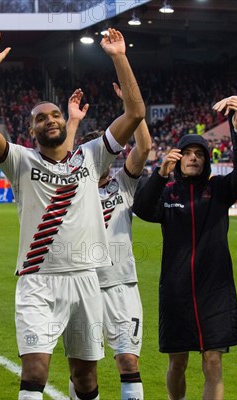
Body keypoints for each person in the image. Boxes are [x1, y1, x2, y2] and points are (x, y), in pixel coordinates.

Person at [0, 28, 145, 400]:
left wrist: (119, 57)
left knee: (86, 378)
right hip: (38, 281)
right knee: (35, 370)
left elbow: (135, 112)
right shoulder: (20, 162)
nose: (49, 118)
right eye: (40, 117)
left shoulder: (91, 156)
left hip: (85, 279)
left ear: (64, 122)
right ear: (31, 131)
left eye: (54, 114)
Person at [133, 95, 237, 400]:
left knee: (212, 362)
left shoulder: (220, 191)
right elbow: (142, 209)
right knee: (178, 362)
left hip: (215, 292)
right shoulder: (167, 193)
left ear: (207, 160)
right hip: (176, 292)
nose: (194, 157)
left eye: (199, 153)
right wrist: (159, 174)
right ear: (178, 158)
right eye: (187, 153)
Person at [69, 83, 151, 400]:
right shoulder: (73, 188)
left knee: (128, 360)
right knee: (82, 371)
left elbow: (143, 148)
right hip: (81, 284)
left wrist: (133, 107)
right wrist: (72, 121)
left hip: (121, 284)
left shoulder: (123, 184)